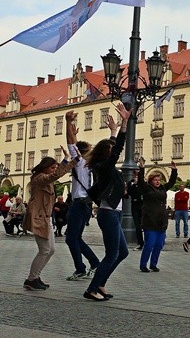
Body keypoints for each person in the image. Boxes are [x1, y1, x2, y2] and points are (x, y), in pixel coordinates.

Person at [83, 103, 131, 301]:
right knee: (112, 254)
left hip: (114, 212)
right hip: (108, 213)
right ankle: (92, 289)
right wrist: (124, 124)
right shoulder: (103, 166)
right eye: (111, 151)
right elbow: (118, 148)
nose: (114, 153)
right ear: (107, 153)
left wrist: (113, 131)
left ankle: (100, 283)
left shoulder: (105, 166)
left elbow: (113, 147)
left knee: (123, 252)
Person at [23, 147, 74, 290]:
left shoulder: (47, 179)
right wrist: (66, 160)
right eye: (52, 167)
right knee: (44, 250)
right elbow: (54, 176)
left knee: (50, 250)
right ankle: (31, 279)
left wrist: (72, 161)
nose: (54, 170)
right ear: (45, 168)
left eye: (55, 167)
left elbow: (59, 173)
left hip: (47, 218)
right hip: (39, 218)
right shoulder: (39, 178)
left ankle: (35, 277)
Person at [64, 110, 101, 280]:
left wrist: (67, 122)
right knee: (75, 237)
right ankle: (94, 263)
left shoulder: (80, 163)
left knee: (71, 238)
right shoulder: (91, 165)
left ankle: (81, 268)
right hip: (86, 205)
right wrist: (72, 128)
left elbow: (71, 144)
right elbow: (74, 144)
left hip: (79, 204)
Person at [138, 159, 178, 272]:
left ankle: (153, 264)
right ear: (151, 181)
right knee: (149, 244)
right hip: (150, 220)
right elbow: (140, 181)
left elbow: (171, 182)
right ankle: (143, 264)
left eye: (159, 180)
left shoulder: (162, 188)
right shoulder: (146, 189)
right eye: (155, 180)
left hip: (161, 220)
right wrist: (142, 168)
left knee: (159, 244)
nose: (157, 182)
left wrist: (174, 170)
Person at [127, 166, 144, 250]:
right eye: (136, 174)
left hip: (143, 205)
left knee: (144, 225)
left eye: (138, 174)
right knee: (137, 225)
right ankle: (140, 243)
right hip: (134, 205)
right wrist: (134, 184)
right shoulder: (131, 183)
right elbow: (127, 193)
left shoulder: (143, 183)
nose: (137, 176)